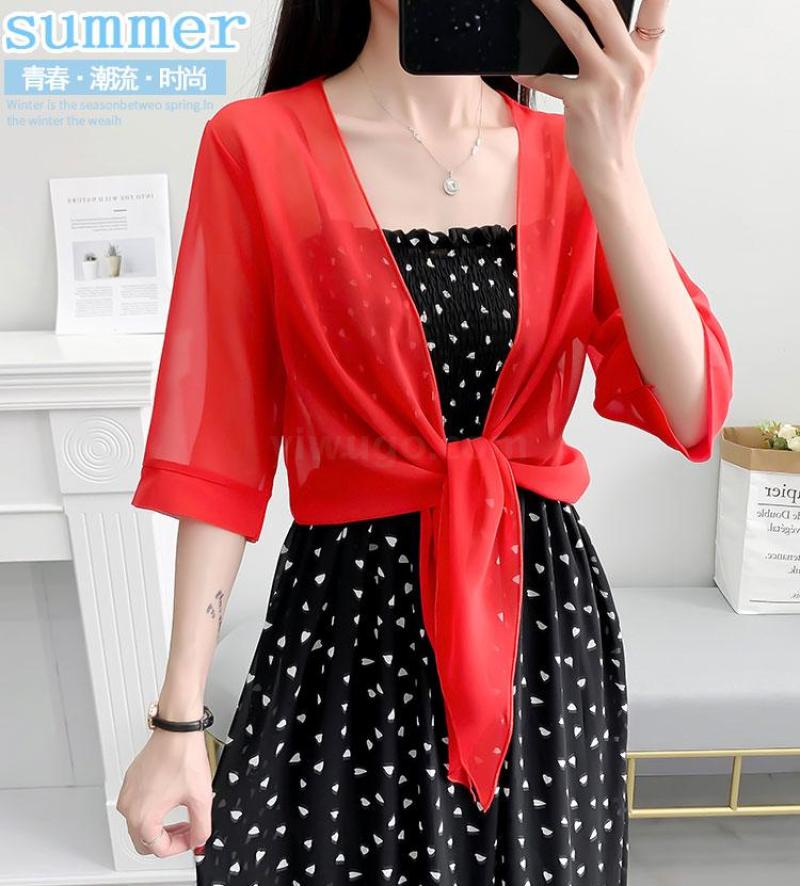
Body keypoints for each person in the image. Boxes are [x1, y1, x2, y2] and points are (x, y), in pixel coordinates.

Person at [115, 0, 734, 884]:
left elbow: (693, 407)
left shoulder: (570, 153)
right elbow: (219, 453)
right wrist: (178, 720)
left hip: (537, 622)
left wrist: (614, 163)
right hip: (346, 622)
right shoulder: (258, 145)